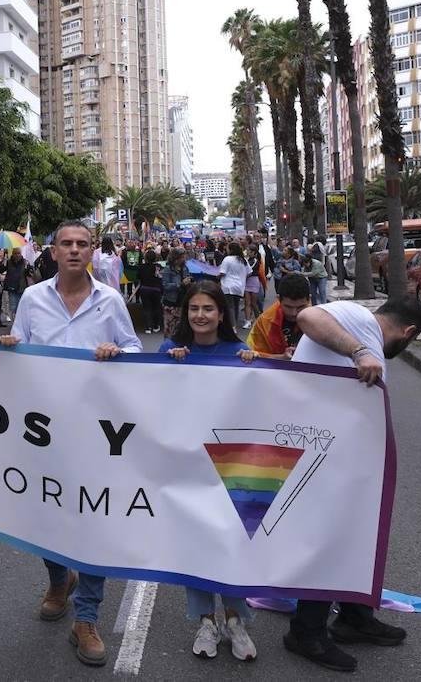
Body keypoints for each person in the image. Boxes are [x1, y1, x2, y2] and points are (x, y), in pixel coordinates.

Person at [0, 220, 141, 668]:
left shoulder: (110, 300)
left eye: (83, 244)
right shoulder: (33, 299)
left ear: (93, 252)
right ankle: (60, 578)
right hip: (43, 431)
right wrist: (8, 346)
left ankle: (87, 618)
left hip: (97, 432)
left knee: (94, 521)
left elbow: (136, 350)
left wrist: (118, 354)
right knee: (44, 516)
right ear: (53, 252)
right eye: (67, 244)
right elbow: (19, 349)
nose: (75, 250)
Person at [284, 296, 421, 672]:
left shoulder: (364, 330)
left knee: (356, 535)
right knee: (327, 539)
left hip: (343, 453)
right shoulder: (358, 319)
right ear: (408, 333)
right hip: (314, 452)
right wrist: (360, 351)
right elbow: (308, 316)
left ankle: (353, 615)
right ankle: (305, 630)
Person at [158, 281, 259, 661]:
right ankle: (206, 621)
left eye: (208, 309)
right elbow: (153, 399)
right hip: (186, 464)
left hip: (232, 467)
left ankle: (236, 620)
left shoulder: (238, 351)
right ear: (185, 313)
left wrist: (254, 367)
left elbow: (257, 404)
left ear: (221, 314)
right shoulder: (170, 350)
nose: (200, 316)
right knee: (196, 544)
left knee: (231, 540)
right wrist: (169, 368)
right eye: (194, 309)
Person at [247, 275, 313, 360]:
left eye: (300, 307)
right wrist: (281, 357)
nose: (293, 313)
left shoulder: (323, 320)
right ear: (278, 299)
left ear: (309, 299)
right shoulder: (265, 321)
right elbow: (253, 354)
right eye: (288, 307)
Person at [218, 242, 248, 331]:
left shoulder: (227, 259)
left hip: (228, 286)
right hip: (239, 286)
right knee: (236, 305)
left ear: (230, 249)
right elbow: (249, 272)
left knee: (230, 306)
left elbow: (222, 272)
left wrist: (217, 277)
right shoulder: (242, 260)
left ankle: (233, 326)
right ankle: (234, 324)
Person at [161, 250, 189, 338]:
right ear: (176, 258)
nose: (184, 259)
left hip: (182, 301)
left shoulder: (184, 268)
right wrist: (180, 284)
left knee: (181, 328)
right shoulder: (168, 269)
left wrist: (190, 282)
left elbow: (187, 277)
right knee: (169, 328)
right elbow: (165, 285)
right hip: (171, 301)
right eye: (183, 257)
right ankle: (168, 347)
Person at [137, 249, 164, 334]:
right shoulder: (158, 266)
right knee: (156, 307)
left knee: (146, 308)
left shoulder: (141, 266)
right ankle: (156, 325)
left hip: (145, 289)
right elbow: (161, 277)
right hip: (156, 289)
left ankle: (148, 327)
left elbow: (138, 277)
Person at [3, 250, 29, 323]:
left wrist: (28, 268)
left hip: (22, 287)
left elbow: (29, 274)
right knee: (13, 306)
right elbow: (0, 269)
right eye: (15, 253)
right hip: (11, 287)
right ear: (13, 254)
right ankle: (15, 322)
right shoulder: (8, 262)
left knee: (21, 306)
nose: (17, 255)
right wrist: (3, 262)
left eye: (19, 253)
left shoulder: (25, 262)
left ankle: (21, 321)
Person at [243, 243, 265, 325]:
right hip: (247, 282)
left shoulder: (255, 261)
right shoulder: (247, 260)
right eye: (247, 250)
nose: (248, 252)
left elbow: (250, 270)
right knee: (247, 302)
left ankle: (258, 318)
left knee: (254, 302)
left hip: (254, 281)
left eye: (249, 251)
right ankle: (248, 320)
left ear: (254, 252)